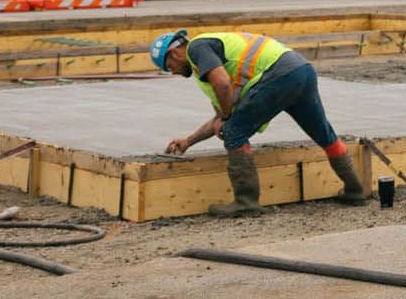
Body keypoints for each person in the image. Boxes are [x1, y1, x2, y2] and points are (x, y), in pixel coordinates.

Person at [153, 28, 367, 216]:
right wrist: (189, 141)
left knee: (234, 131)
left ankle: (246, 202)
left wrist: (227, 120)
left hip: (279, 74)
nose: (173, 72)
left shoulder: (197, 49)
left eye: (168, 66)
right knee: (323, 134)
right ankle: (355, 190)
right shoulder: (212, 63)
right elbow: (221, 116)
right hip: (301, 69)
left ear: (174, 53)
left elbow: (224, 91)